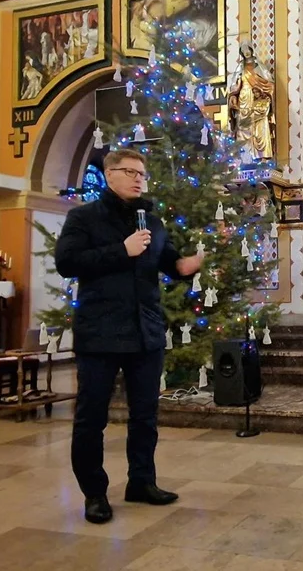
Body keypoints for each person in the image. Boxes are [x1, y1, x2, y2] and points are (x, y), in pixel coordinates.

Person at [54, 149, 203, 525]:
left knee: (145, 416)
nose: (139, 179)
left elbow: (168, 261)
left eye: (142, 173)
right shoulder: (83, 217)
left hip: (145, 332)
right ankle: (94, 493)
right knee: (92, 418)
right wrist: (121, 250)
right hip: (100, 332)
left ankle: (142, 481)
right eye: (130, 172)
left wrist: (185, 267)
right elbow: (66, 262)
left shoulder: (151, 220)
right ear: (109, 174)